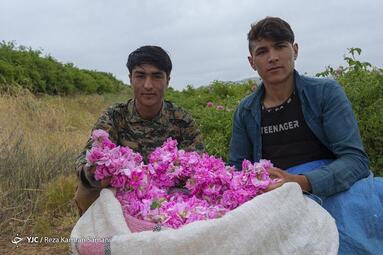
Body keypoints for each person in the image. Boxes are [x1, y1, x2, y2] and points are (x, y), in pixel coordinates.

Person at [229, 17, 382, 254]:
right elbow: (237, 167)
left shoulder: (325, 93)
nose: (272, 57)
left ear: (295, 50)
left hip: (334, 190)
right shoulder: (246, 111)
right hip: (277, 199)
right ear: (252, 62)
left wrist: (301, 182)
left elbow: (356, 161)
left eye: (280, 46)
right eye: (262, 51)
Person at [74, 45, 204, 215]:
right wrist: (95, 173)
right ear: (130, 78)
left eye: (157, 76)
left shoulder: (182, 121)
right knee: (86, 191)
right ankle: (97, 239)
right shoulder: (114, 116)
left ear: (168, 80)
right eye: (140, 76)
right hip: (122, 193)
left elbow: (198, 166)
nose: (148, 85)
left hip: (169, 198)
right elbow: (84, 160)